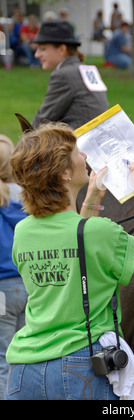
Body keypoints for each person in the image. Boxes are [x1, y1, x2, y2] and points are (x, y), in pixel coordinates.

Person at [5, 122, 134, 400]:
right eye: (77, 153)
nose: (85, 157)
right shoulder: (99, 232)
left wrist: (93, 197)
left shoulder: (23, 231)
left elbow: (77, 243)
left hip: (24, 368)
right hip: (81, 365)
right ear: (63, 174)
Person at [31, 19, 109, 130]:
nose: (37, 55)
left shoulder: (63, 75)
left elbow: (42, 122)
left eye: (42, 49)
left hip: (76, 144)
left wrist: (24, 143)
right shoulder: (86, 69)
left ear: (62, 49)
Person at [0, 135, 27, 400]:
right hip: (29, 285)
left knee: (2, 361)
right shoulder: (27, 195)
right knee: (23, 358)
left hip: (1, 291)